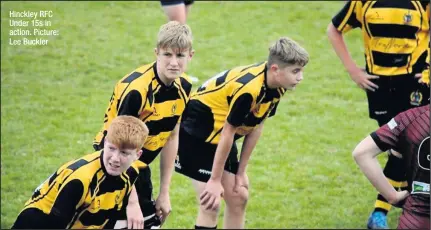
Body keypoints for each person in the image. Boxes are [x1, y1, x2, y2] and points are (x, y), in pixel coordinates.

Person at [174, 37, 309, 229]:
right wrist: (214, 180)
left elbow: (256, 125)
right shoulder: (249, 90)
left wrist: (240, 172)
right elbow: (229, 132)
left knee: (238, 197)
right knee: (211, 203)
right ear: (275, 70)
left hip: (220, 136)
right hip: (196, 133)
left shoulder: (278, 85)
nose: (300, 77)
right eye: (295, 71)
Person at [327, 1, 430, 228]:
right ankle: (404, 203)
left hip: (413, 84)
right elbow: (334, 29)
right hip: (379, 86)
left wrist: (427, 69)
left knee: (404, 146)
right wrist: (353, 71)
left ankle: (380, 212)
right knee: (397, 148)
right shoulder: (362, 3)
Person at [93, 20, 194, 229]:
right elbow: (118, 148)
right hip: (112, 166)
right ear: (156, 53)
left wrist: (164, 192)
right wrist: (132, 202)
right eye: (167, 54)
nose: (174, 62)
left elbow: (172, 136)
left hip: (138, 165)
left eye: (180, 55)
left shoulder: (184, 87)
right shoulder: (137, 92)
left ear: (190, 56)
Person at [12, 115, 149, 229]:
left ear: (138, 155)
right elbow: (56, 224)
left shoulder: (131, 173)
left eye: (124, 153)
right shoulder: (80, 180)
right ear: (105, 141)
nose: (115, 159)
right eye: (111, 148)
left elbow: (108, 218)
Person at [352, 104, 430, 229]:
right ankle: (379, 212)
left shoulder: (410, 119)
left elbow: (362, 153)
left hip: (415, 221)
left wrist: (392, 196)